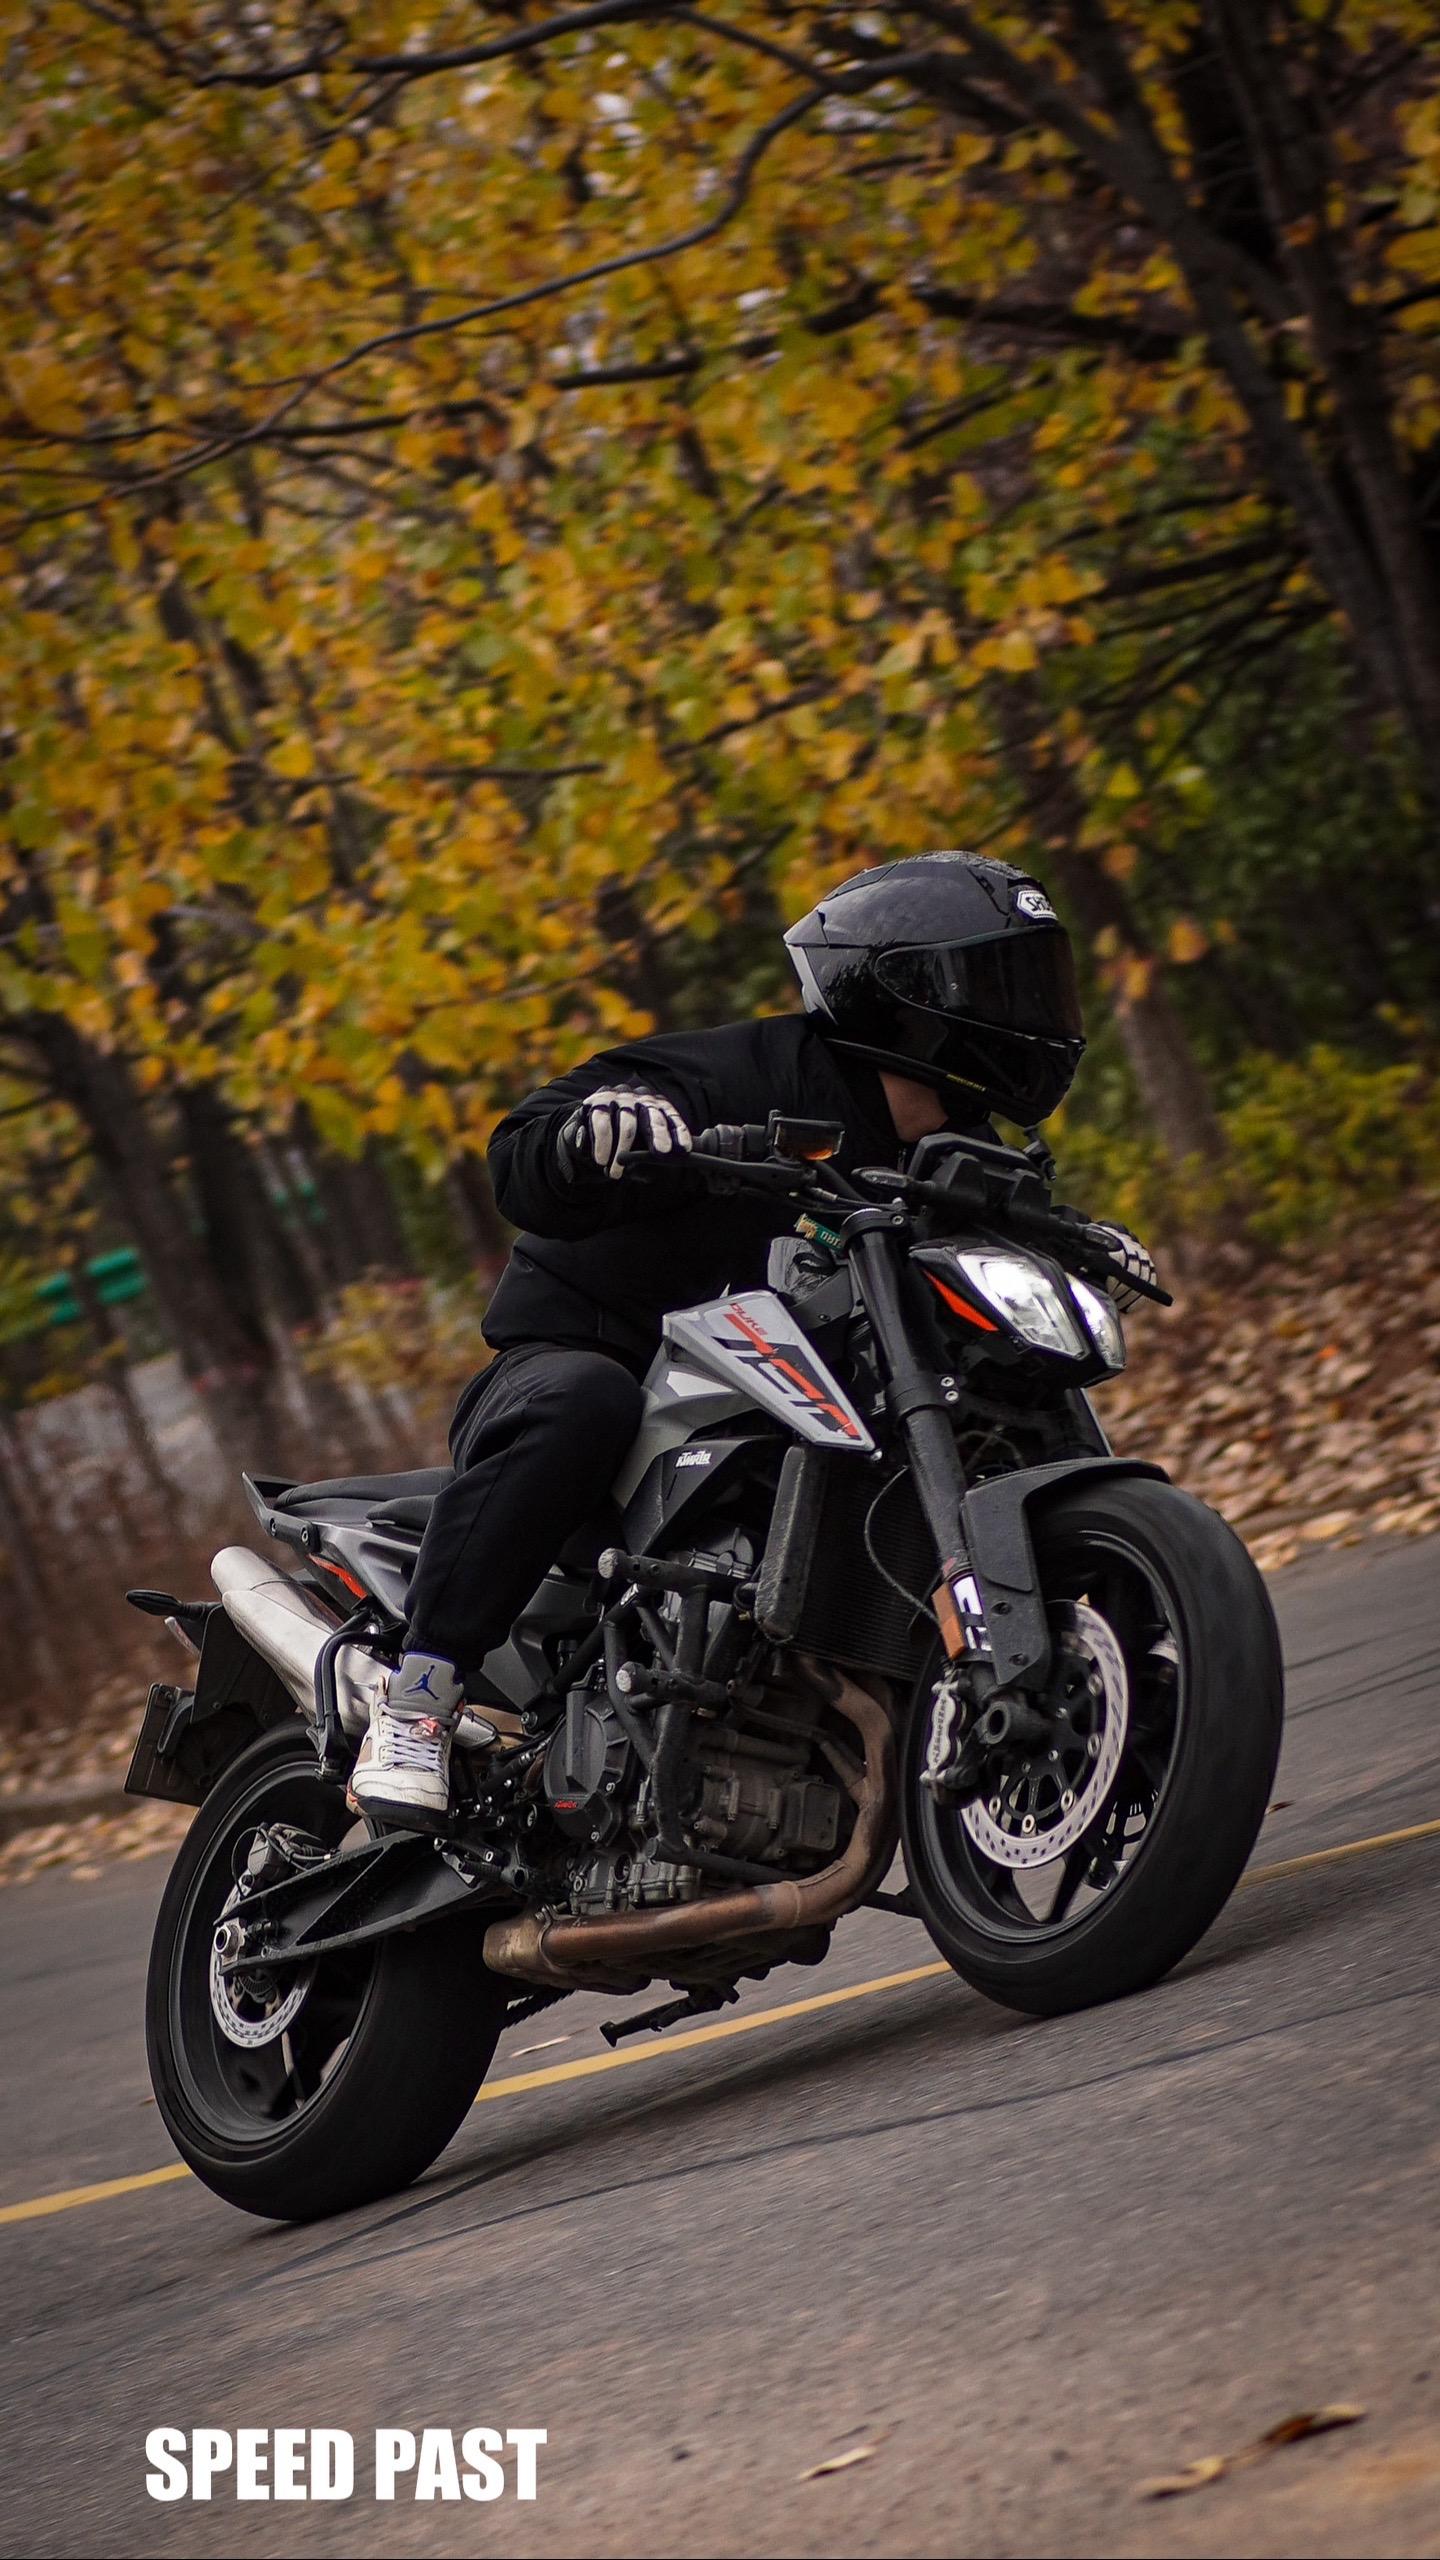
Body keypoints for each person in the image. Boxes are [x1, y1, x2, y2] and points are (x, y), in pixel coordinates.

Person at [350, 849, 1093, 1826]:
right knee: (583, 1400)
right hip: (600, 1370)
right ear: (906, 992)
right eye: (999, 981)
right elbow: (519, 1153)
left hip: (792, 1404)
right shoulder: (742, 1073)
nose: (1029, 1009)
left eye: (1035, 981)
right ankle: (418, 1700)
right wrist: (595, 1133)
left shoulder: (968, 1159)